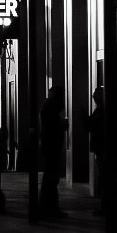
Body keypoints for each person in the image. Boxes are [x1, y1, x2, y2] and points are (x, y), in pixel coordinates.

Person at [39, 85, 69, 217]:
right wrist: (62, 125)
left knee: (50, 177)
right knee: (51, 177)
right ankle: (49, 207)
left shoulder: (48, 107)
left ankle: (49, 206)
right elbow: (52, 127)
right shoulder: (50, 108)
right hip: (50, 146)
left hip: (49, 146)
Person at [83, 86, 106, 215]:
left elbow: (92, 126)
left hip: (102, 147)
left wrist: (84, 117)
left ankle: (105, 205)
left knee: (104, 176)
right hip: (100, 147)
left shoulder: (101, 110)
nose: (93, 96)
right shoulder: (100, 109)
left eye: (95, 94)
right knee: (102, 175)